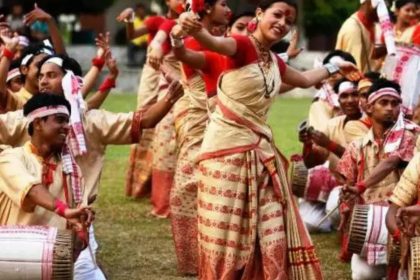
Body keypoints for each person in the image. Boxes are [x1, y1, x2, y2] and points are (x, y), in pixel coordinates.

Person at [178, 0, 361, 277]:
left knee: (271, 225)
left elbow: (303, 79)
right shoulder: (241, 45)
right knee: (229, 235)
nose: (283, 24)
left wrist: (334, 68)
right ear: (260, 14)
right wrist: (192, 32)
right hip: (226, 153)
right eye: (277, 15)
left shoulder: (273, 60)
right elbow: (214, 43)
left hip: (260, 153)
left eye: (288, 21)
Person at [169, 0, 231, 275]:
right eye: (223, 3)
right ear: (206, 8)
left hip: (215, 117)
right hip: (202, 118)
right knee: (187, 186)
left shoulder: (215, 41)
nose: (228, 8)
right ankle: (195, 260)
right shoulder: (196, 44)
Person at [337, 78, 419, 279]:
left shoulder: (412, 135)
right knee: (363, 274)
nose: (390, 108)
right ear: (369, 107)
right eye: (384, 103)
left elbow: (392, 162)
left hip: (405, 219)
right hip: (371, 223)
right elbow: (346, 186)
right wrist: (347, 206)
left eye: (395, 103)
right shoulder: (356, 147)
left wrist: (361, 186)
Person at [0, 93, 93, 258]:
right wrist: (64, 210)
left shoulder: (71, 170)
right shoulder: (10, 158)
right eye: (60, 119)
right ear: (37, 123)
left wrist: (81, 233)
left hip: (53, 259)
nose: (66, 126)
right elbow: (31, 190)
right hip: (10, 255)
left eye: (67, 120)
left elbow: (78, 221)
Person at [308, 50, 357, 131]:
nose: (334, 74)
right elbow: (323, 133)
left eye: (339, 69)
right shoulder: (320, 103)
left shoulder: (360, 93)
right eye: (331, 69)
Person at [336, 0, 381, 73]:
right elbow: (353, 73)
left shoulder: (371, 25)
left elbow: (370, 54)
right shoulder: (353, 29)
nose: (384, 9)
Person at [127, 3, 149, 67]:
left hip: (147, 42)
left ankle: (144, 62)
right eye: (139, 10)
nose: (141, 12)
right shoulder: (134, 21)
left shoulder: (149, 19)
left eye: (142, 10)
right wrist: (139, 42)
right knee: (130, 45)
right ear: (136, 12)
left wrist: (145, 41)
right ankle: (131, 62)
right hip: (137, 42)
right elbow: (131, 34)